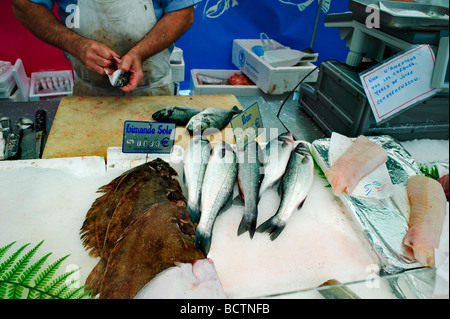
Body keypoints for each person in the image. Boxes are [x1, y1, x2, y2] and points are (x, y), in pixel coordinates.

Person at [12, 0, 201, 96]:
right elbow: (23, 5)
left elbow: (183, 12)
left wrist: (140, 52)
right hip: (89, 93)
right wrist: (76, 45)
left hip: (154, 89)